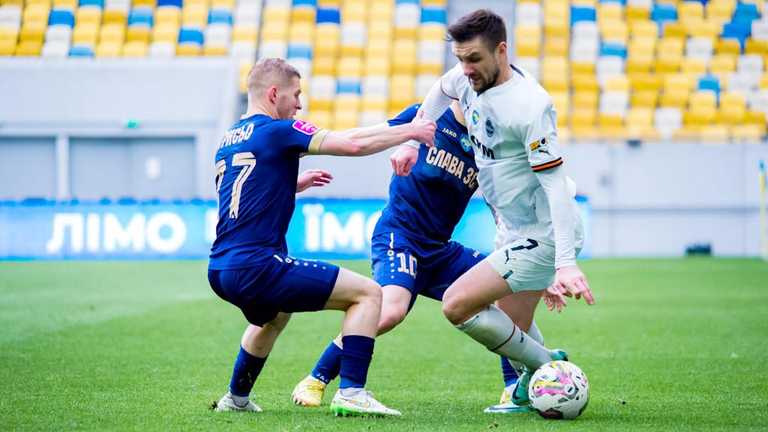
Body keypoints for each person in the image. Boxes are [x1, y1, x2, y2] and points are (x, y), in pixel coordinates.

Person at [390, 9, 595, 413]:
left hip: (546, 231)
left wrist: (564, 263)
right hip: (516, 229)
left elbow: (555, 186)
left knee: (457, 304)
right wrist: (414, 138)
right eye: (461, 59)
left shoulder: (530, 105)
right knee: (509, 323)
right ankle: (532, 381)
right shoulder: (467, 79)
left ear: (502, 51)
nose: (465, 69)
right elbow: (440, 90)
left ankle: (544, 369)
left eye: (475, 60)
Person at [208, 58, 436, 417]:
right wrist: (409, 131)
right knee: (368, 293)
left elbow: (237, 190)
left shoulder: (231, 137)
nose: (299, 104)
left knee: (274, 316)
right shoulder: (277, 131)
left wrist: (288, 185)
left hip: (220, 267)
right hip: (257, 265)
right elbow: (351, 143)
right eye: (296, 95)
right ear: (273, 94)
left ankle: (235, 399)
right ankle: (352, 392)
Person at [291, 102, 542, 414]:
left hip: (440, 249)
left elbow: (500, 204)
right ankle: (316, 379)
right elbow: (374, 136)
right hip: (401, 236)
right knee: (390, 310)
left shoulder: (488, 140)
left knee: (504, 286)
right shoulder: (429, 112)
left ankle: (512, 388)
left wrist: (532, 263)